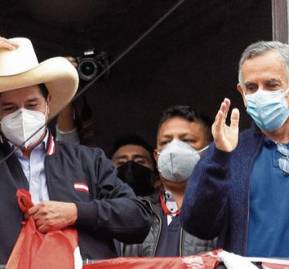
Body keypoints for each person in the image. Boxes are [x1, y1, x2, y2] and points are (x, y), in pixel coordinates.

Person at [0, 37, 152, 264]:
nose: (22, 115)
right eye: (9, 108)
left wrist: (76, 212)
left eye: (32, 105)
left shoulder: (88, 160)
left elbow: (138, 217)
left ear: (48, 102)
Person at [181, 41, 289, 258]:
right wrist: (219, 156)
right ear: (241, 92)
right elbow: (198, 225)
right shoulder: (231, 150)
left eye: (272, 85)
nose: (261, 95)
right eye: (251, 88)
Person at [122, 105, 216, 256]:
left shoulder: (223, 213)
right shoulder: (135, 214)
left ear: (210, 151)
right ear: (156, 155)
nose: (174, 148)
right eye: (165, 142)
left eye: (187, 140)